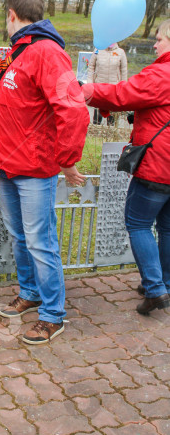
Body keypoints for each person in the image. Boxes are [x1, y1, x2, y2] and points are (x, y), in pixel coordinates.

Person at [0, 0, 89, 344]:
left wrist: (67, 161)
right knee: (21, 237)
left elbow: (74, 110)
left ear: (11, 15)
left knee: (40, 241)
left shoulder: (47, 53)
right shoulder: (21, 52)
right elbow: (20, 113)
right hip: (6, 165)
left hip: (34, 168)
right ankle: (31, 292)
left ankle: (53, 315)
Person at [82, 20, 170, 315]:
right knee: (167, 227)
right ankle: (164, 283)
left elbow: (123, 94)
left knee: (138, 223)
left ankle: (155, 289)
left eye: (159, 39)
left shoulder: (161, 73)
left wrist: (89, 91)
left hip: (159, 166)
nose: (155, 45)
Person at [87, 43, 128, 125]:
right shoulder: (97, 50)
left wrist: (124, 88)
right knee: (97, 116)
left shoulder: (121, 52)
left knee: (112, 116)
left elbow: (124, 71)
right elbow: (91, 66)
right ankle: (95, 133)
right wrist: (90, 84)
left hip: (114, 90)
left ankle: (110, 132)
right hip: (99, 88)